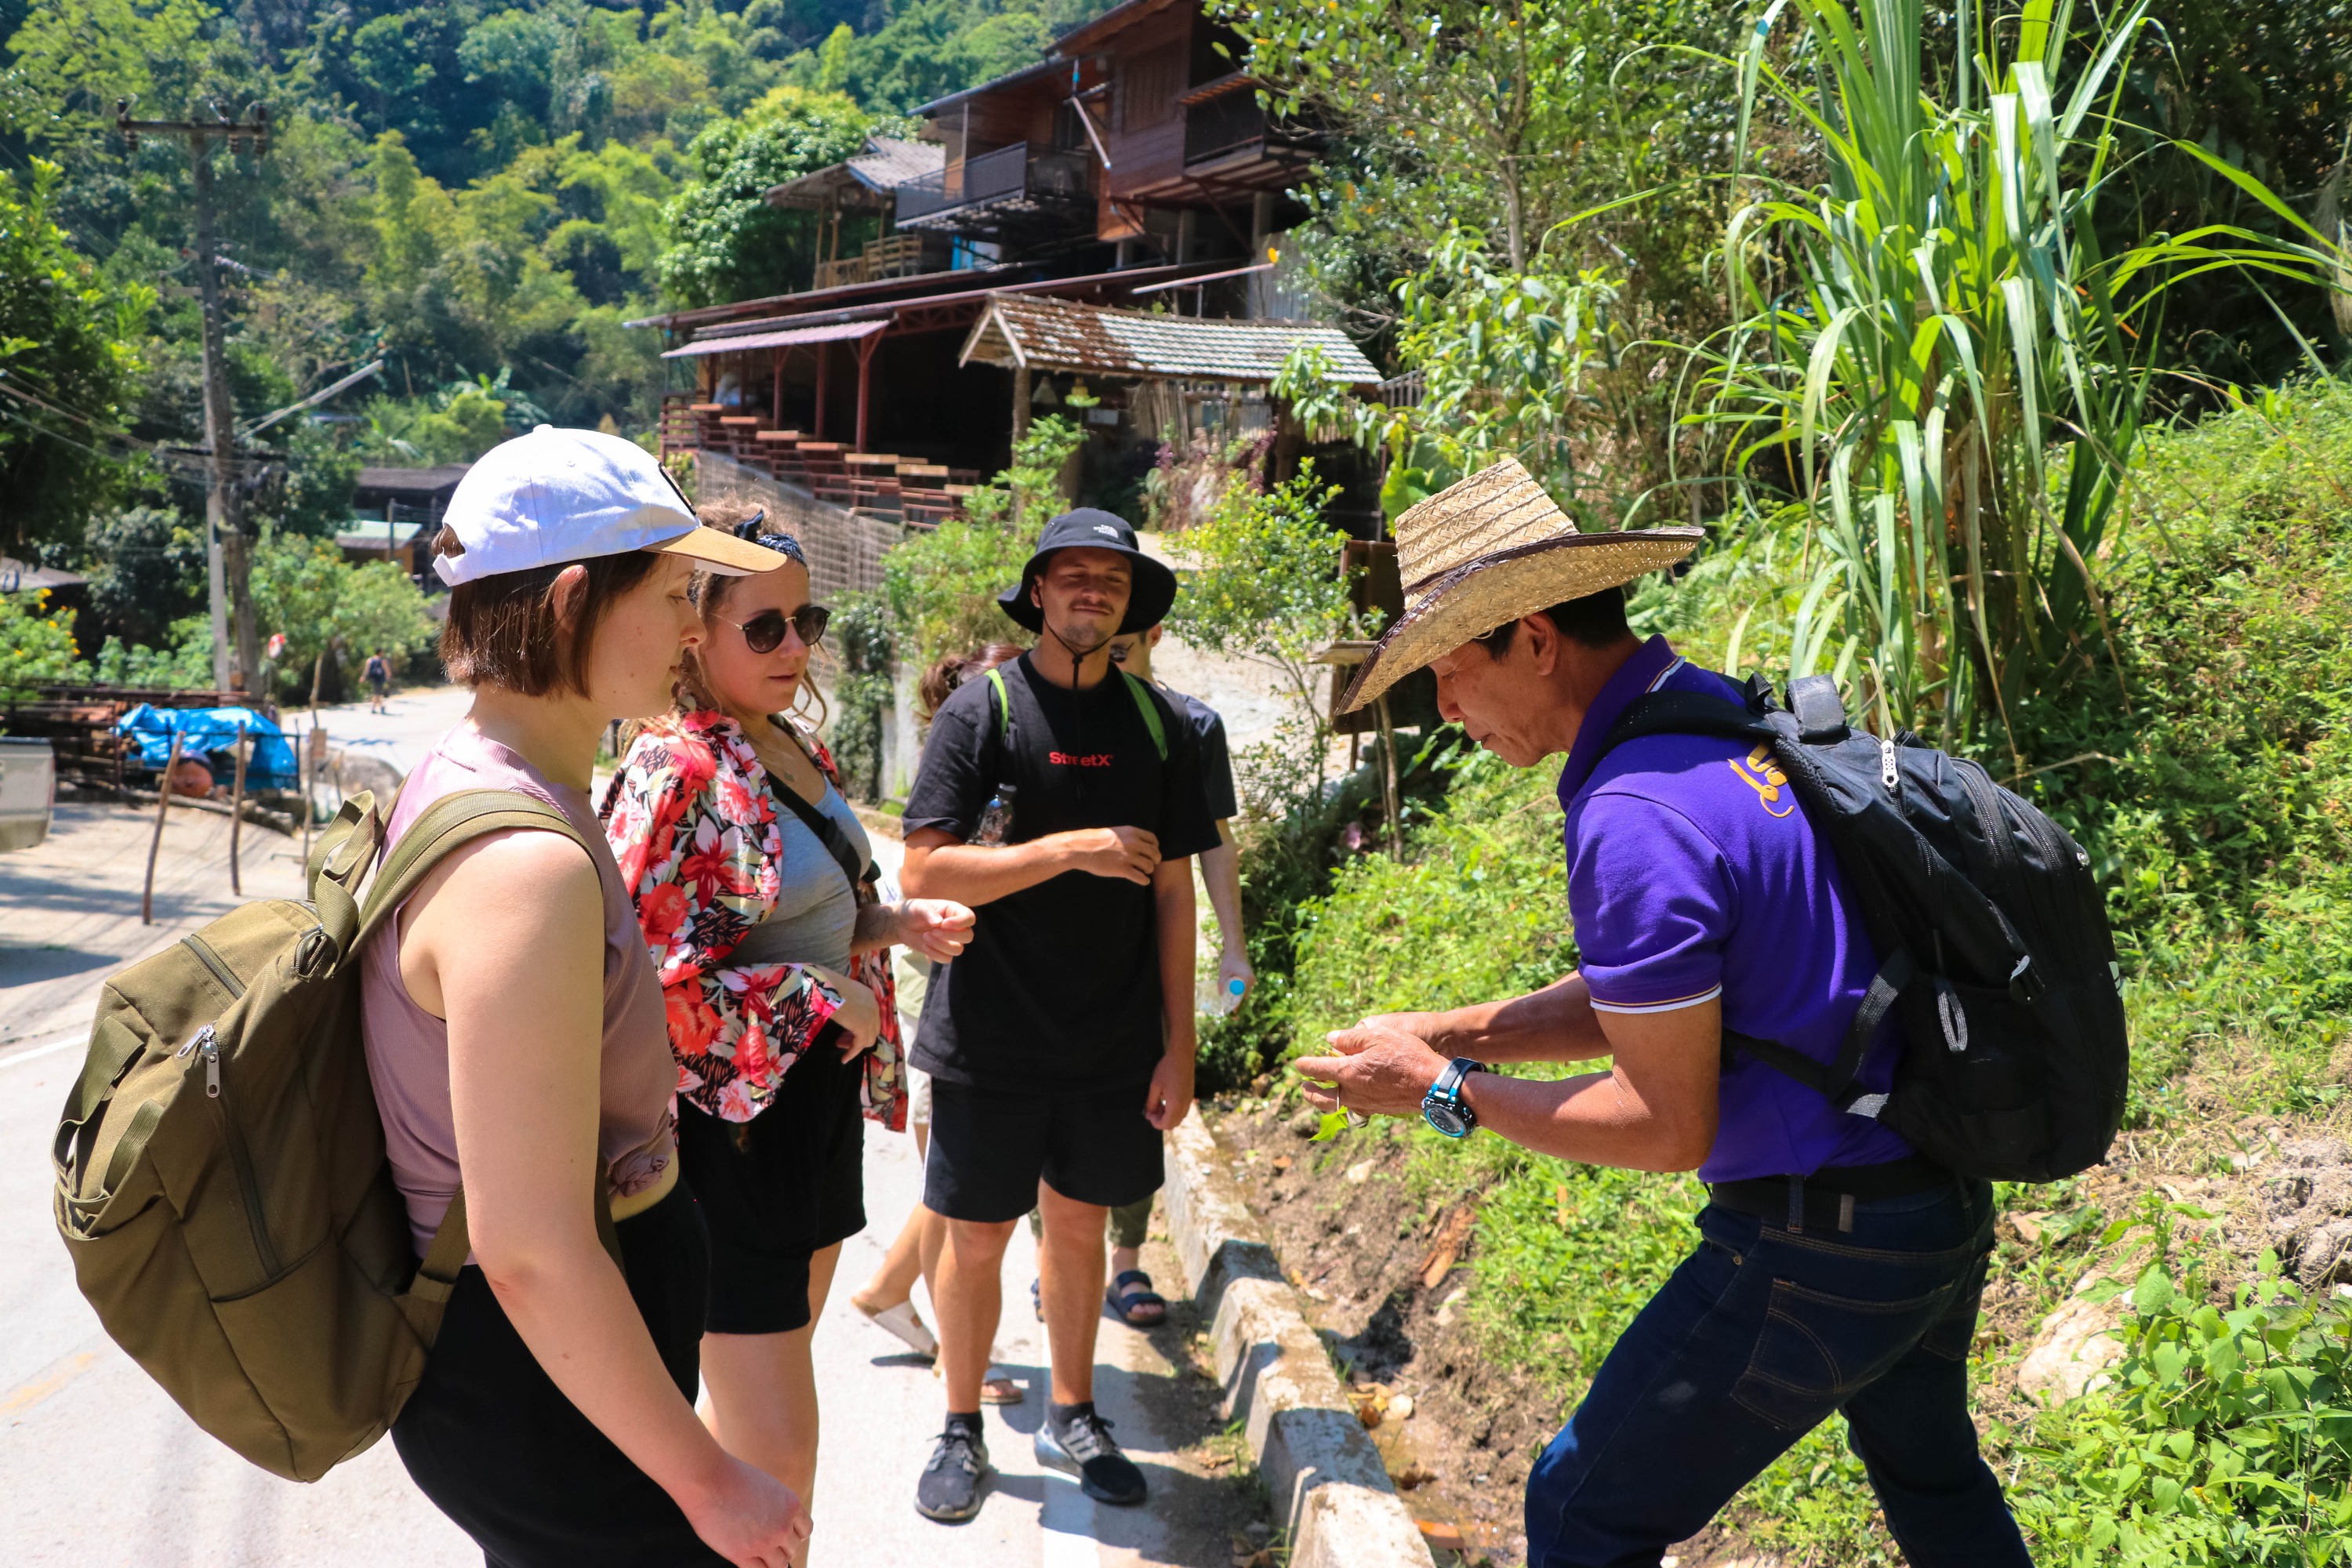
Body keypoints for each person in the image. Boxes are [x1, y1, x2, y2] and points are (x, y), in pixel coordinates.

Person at [1294, 457, 2031, 1568]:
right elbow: (1666, 993)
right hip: (1931, 1197)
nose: (1444, 706)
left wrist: (1441, 1093)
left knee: (1581, 1510)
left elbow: (1663, 1121)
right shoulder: (1723, 724)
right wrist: (1456, 1029)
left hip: (1819, 1240)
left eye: (1452, 669)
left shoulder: (1634, 814)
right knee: (1936, 1486)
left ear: (1535, 639)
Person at [359, 425, 811, 1568]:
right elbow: (530, 1249)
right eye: (671, 594)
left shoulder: (480, 781)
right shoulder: (526, 867)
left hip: (553, 1366)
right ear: (572, 604)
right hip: (537, 1378)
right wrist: (710, 1481)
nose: (689, 628)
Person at [601, 511, 975, 1541]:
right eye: (764, 629)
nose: (797, 647)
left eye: (804, 621)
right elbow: (645, 993)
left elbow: (794, 913)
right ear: (693, 633)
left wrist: (891, 922)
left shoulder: (792, 746)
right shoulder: (675, 771)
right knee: (781, 1459)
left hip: (810, 1108)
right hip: (731, 1137)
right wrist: (816, 998)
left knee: (758, 1419)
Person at [898, 510, 1218, 1522]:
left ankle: (1076, 1411)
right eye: (1072, 575)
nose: (1092, 592)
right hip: (989, 1031)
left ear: (1130, 605)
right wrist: (1069, 848)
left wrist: (1182, 1044)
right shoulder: (980, 709)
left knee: (1078, 1230)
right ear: (1037, 592)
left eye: (1111, 582)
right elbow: (925, 867)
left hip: (1112, 1039)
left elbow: (1176, 895)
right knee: (978, 1236)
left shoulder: (1163, 723)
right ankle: (960, 1423)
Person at [850, 644, 1029, 1406]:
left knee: (960, 1185)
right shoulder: (982, 792)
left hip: (957, 1011)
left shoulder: (957, 780)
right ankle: (962, 1363)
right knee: (965, 1195)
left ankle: (888, 1289)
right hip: (956, 1016)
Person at [364, 648, 392, 713]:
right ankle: (379, 707)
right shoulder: (382, 661)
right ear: (380, 653)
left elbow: (366, 670)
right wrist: (388, 676)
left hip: (373, 679)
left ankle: (376, 708)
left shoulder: (370, 660)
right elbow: (387, 670)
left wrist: (364, 677)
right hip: (380, 679)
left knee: (377, 694)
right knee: (378, 694)